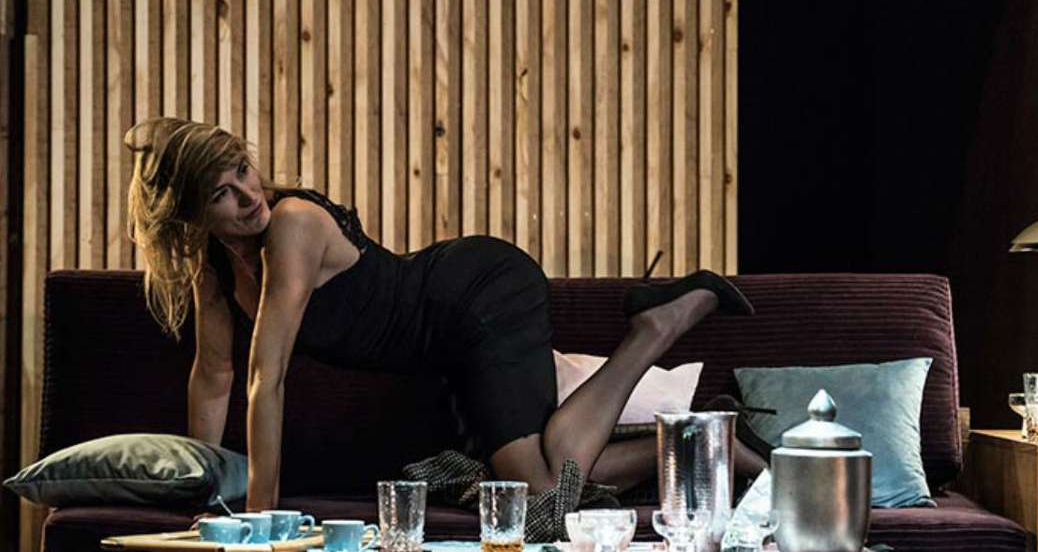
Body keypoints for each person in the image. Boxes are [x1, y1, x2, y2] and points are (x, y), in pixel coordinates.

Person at [124, 117, 766, 514]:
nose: (249, 195)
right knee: (547, 484)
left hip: (478, 294)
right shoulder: (213, 270)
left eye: (243, 169)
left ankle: (655, 327)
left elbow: (267, 376)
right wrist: (202, 495)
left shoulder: (292, 223)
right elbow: (215, 378)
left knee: (540, 496)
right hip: (449, 353)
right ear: (192, 216)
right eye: (223, 193)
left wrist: (262, 520)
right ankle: (705, 442)